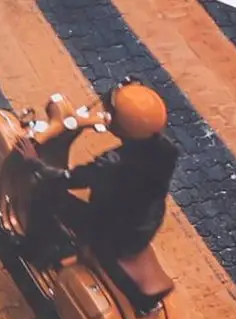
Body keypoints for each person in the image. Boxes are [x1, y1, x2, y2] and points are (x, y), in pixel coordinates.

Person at [29, 81, 178, 265]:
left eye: (113, 115)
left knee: (44, 193)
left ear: (123, 125)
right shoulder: (167, 150)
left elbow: (71, 179)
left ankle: (43, 251)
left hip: (112, 235)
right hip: (144, 224)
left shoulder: (112, 164)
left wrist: (35, 164)